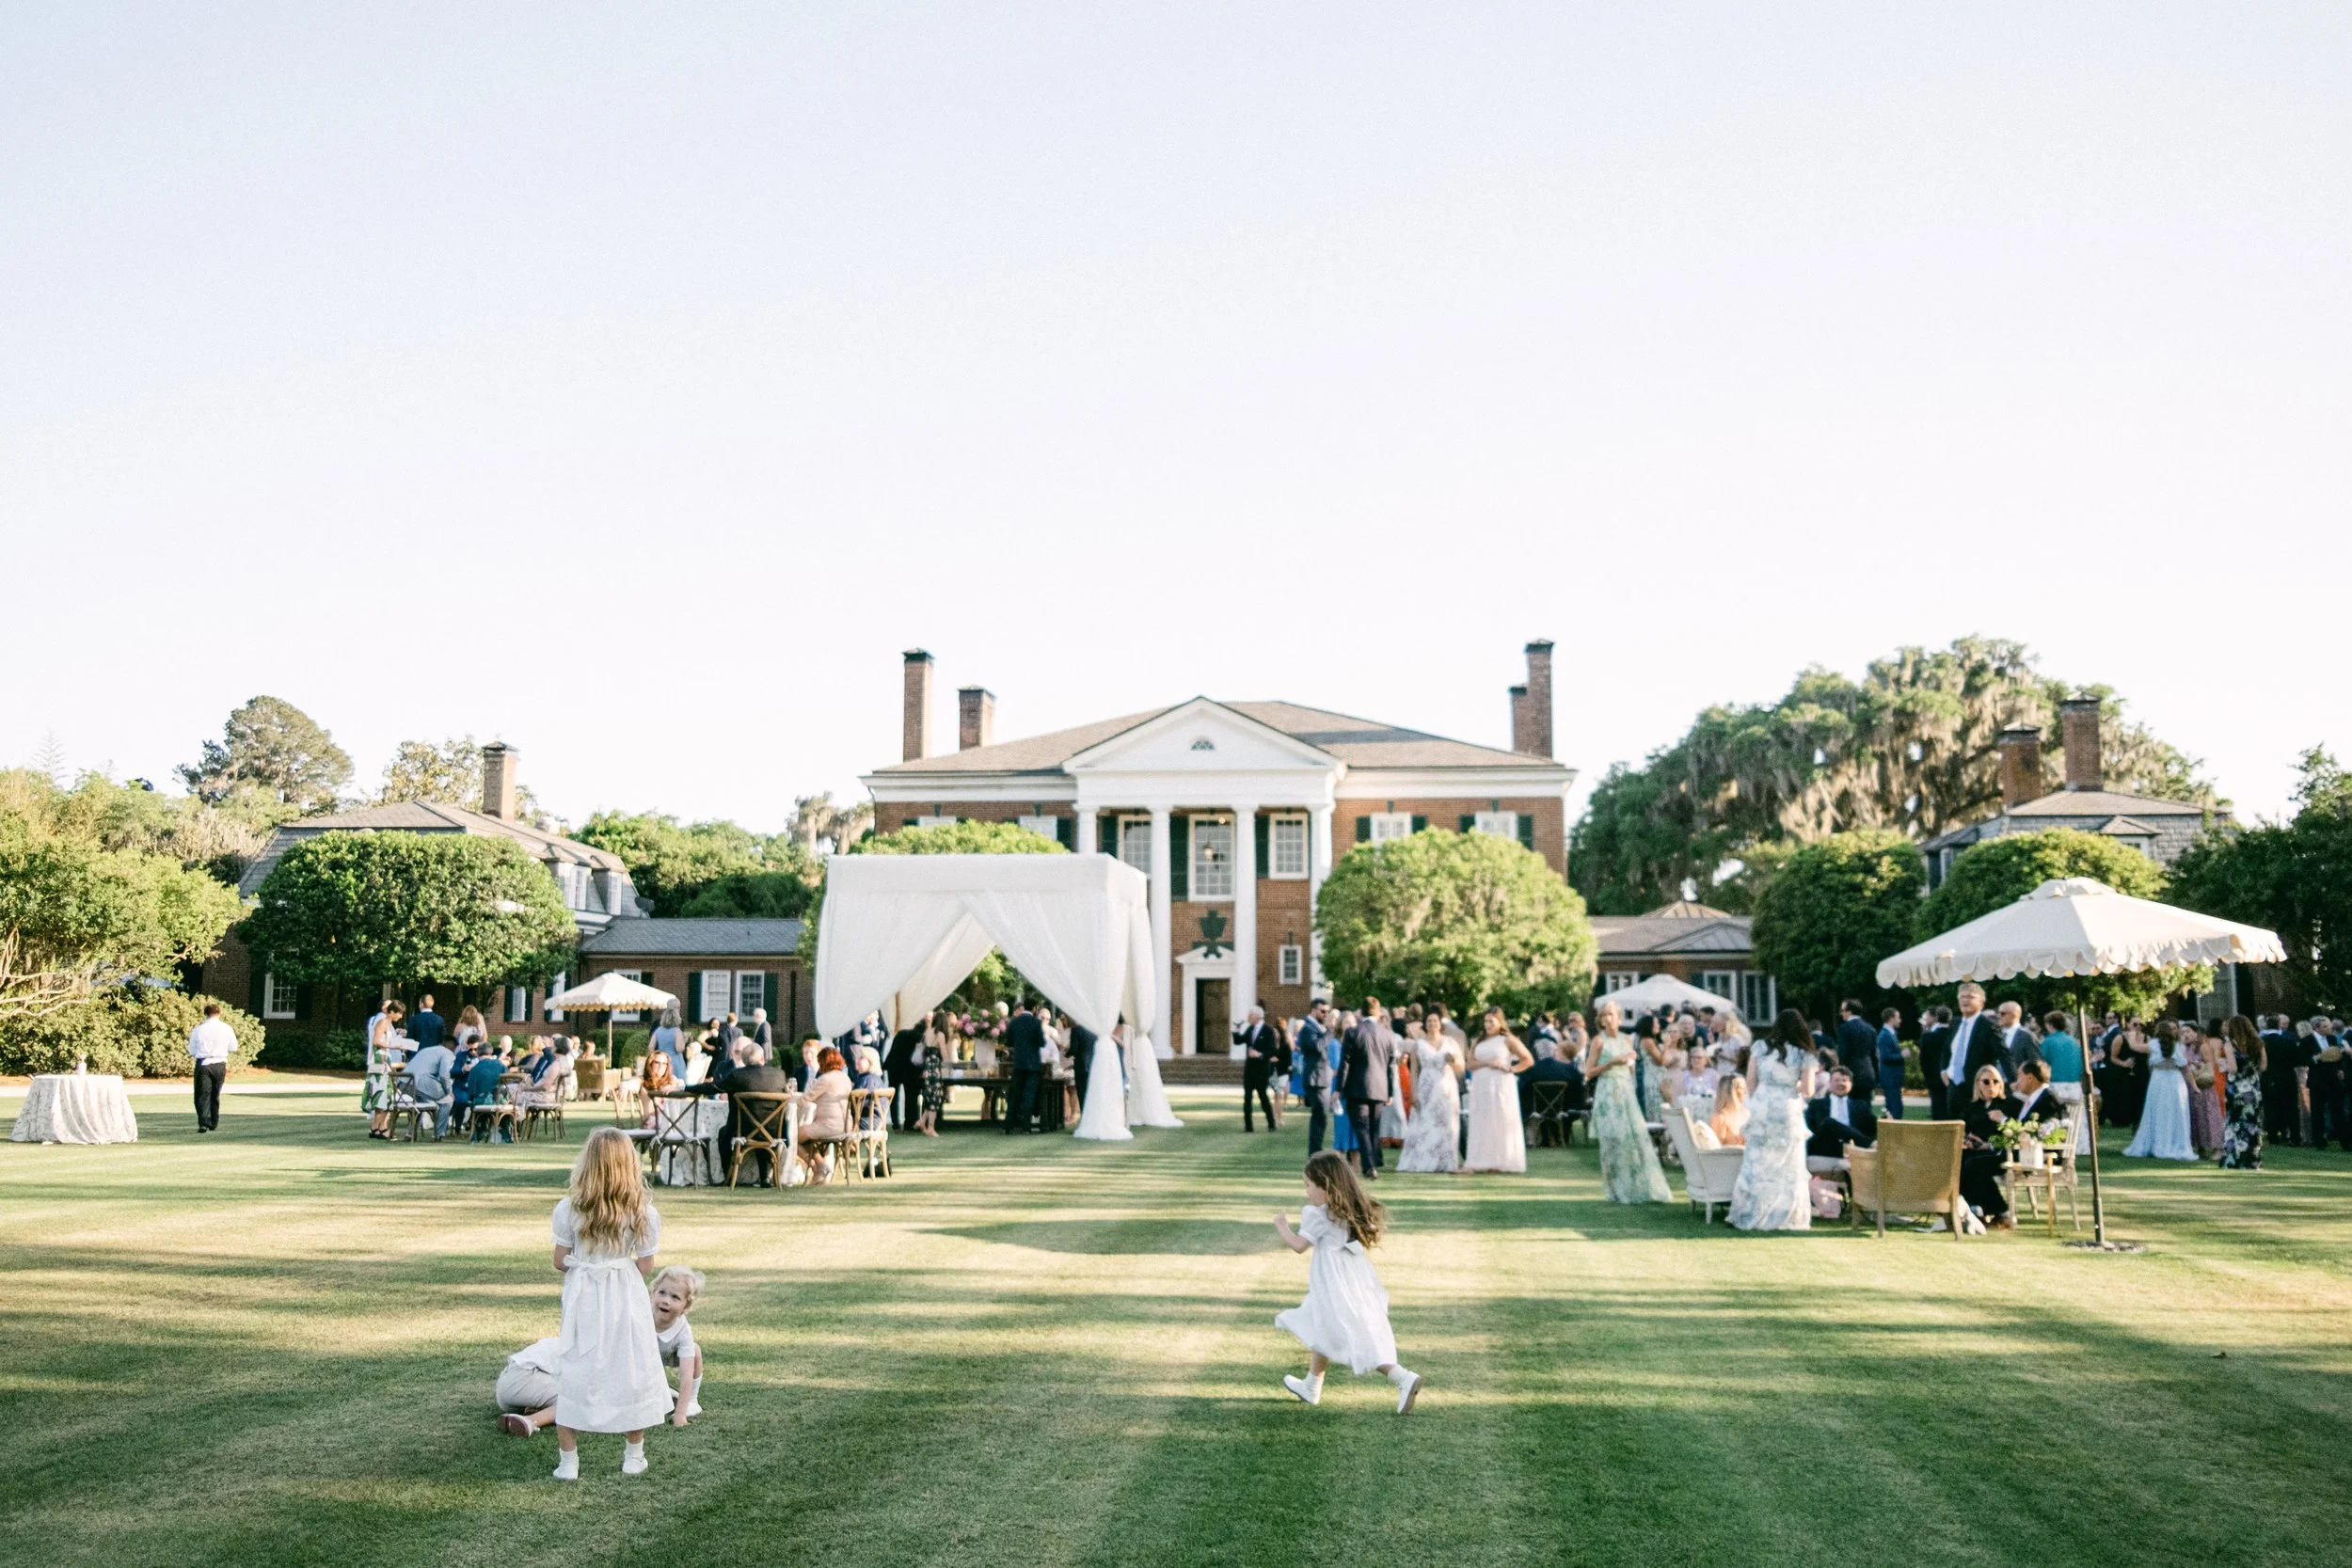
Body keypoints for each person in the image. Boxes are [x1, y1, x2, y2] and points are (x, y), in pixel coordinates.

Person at [548, 1128, 669, 1480]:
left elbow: (559, 1260)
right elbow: (645, 1266)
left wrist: (590, 1263)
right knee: (631, 1366)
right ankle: (633, 1455)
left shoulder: (569, 1209)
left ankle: (569, 1462)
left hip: (584, 1292)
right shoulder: (643, 1213)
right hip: (624, 1292)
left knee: (576, 1367)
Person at [1272, 1151, 1422, 1414]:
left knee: (1351, 1334)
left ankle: (1402, 1377)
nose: (1307, 1192)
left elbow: (1299, 1245)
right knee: (1324, 1326)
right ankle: (1311, 1385)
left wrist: (1282, 1226)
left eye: (1309, 1185)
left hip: (1333, 1283)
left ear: (1325, 1187)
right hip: (1353, 1278)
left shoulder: (1319, 1214)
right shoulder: (1348, 1208)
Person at [1727, 1010, 1817, 1231]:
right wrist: (1791, 1086)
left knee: (1758, 1162)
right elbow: (1808, 1089)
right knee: (1787, 1165)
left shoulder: (1760, 1048)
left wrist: (1761, 1099)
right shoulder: (1804, 1054)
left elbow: (1750, 1083)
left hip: (1762, 1107)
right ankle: (1784, 1215)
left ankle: (1751, 1211)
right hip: (1786, 1108)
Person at [1582, 1000, 1672, 1203]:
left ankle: (1637, 1187)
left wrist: (1630, 1065)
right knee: (1613, 1141)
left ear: (1619, 1018)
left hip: (1625, 1091)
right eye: (1604, 1015)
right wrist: (1613, 1062)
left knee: (1633, 1140)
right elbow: (1588, 1071)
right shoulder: (1599, 1041)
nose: (1607, 1018)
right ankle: (1615, 1190)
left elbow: (1631, 1068)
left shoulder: (1627, 1039)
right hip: (1607, 1091)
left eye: (1611, 1014)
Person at [1463, 1009, 1532, 1174]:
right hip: (1481, 1085)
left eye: (1491, 1022)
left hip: (1501, 1084)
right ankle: (1481, 1160)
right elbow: (1469, 1065)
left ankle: (1500, 1161)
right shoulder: (1478, 1041)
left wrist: (1511, 1068)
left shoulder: (1507, 1040)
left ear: (1500, 1022)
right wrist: (1488, 1062)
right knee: (1482, 1120)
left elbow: (1528, 1059)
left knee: (1499, 1119)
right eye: (1485, 1021)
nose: (1487, 1025)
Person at [1958, 1066, 2022, 1229]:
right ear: (1978, 1084)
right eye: (1986, 1082)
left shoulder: (2010, 1104)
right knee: (1958, 1161)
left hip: (2001, 1151)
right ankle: (1972, 1208)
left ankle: (1999, 1210)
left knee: (1973, 1165)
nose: (1991, 1086)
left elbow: (2015, 1132)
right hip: (1974, 1150)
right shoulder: (1972, 1106)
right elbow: (1962, 1128)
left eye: (1996, 1082)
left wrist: (1988, 1143)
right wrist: (1968, 1140)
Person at [1396, 1018, 1462, 1173]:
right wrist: (1413, 1092)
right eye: (1429, 1021)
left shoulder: (1450, 1042)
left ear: (1440, 1024)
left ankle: (1445, 1162)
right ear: (1425, 1025)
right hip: (1426, 1086)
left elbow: (1460, 1067)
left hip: (1446, 1087)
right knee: (1425, 1123)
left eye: (1435, 1021)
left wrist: (1453, 1061)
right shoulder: (1418, 1044)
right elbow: (1413, 1071)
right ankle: (1424, 1160)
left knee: (1447, 1125)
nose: (1432, 1024)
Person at [2123, 1022, 2197, 1161]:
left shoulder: (2153, 1044)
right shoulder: (2178, 1046)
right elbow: (2185, 1068)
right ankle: (2175, 1143)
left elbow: (2134, 1047)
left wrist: (2131, 1036)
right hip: (2175, 1080)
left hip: (2158, 1080)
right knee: (2176, 1112)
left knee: (2157, 1111)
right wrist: (2194, 1086)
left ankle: (2157, 1143)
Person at [723, 1044, 794, 1186]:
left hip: (744, 1131)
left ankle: (729, 1176)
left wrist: (685, 1088)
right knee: (762, 1125)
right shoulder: (779, 1075)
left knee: (722, 1134)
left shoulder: (737, 1075)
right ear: (762, 1058)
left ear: (744, 1060)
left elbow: (713, 1087)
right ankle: (764, 1178)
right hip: (774, 1131)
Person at [1339, 1000, 1394, 1179]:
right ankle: (1373, 1162)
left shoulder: (1353, 1032)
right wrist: (1390, 1091)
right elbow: (1390, 1066)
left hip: (1357, 1087)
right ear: (1378, 1013)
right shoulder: (1387, 1035)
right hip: (1380, 1087)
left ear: (1361, 1013)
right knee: (1373, 1128)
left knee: (1362, 1128)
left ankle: (1369, 1166)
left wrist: (1339, 1088)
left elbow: (1345, 1063)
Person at [1941, 984, 2009, 1107]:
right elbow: (1947, 1050)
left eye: (1970, 997)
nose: (1965, 1000)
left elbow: (2003, 1054)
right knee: (1953, 1124)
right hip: (1953, 1086)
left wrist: (2014, 1081)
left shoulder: (1988, 1025)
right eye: (1962, 997)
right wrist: (1943, 1070)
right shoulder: (1955, 1023)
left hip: (1977, 1088)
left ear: (1982, 1002)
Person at [796, 1047, 854, 1181]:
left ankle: (818, 1168)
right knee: (805, 1138)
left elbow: (805, 1099)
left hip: (828, 1125)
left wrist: (791, 1099)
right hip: (846, 1124)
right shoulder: (845, 1078)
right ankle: (821, 1166)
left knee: (792, 1137)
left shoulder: (825, 1079)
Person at [2216, 1015, 2264, 1170]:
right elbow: (2263, 1066)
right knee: (2252, 1124)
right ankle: (2252, 1159)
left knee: (2234, 1124)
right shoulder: (2258, 1043)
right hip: (2253, 1088)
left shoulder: (2230, 1045)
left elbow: (2234, 1068)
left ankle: (2233, 1159)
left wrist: (2224, 1064)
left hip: (2236, 1088)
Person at [1804, 1065, 1877, 1161]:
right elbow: (1809, 1130)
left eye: (1844, 1080)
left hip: (1852, 1144)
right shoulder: (1816, 1105)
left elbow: (1872, 1128)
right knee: (1829, 1123)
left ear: (1851, 1084)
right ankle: (1869, 1144)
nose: (1840, 1083)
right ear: (1829, 1084)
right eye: (1837, 1080)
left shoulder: (1861, 1106)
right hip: (1824, 1144)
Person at [185, 1001, 237, 1133]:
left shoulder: (199, 1029)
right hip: (220, 1063)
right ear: (219, 1013)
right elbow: (233, 1047)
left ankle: (204, 1122)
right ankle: (214, 1121)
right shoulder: (227, 1028)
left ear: (206, 1014)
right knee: (215, 1094)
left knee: (202, 1094)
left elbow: (191, 1050)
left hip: (204, 1063)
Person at [1002, 997, 1047, 1134]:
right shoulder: (1036, 1023)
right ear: (1034, 1008)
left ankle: (1008, 1125)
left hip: (1018, 1063)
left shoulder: (1014, 1022)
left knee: (1015, 1094)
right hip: (1033, 1065)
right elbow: (1042, 1043)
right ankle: (1026, 1127)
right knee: (1029, 1095)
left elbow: (1009, 1042)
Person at [363, 1001, 406, 1139]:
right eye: (399, 1013)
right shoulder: (383, 1022)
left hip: (383, 1058)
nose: (400, 1016)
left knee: (383, 1092)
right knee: (384, 1092)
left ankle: (375, 1127)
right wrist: (393, 1046)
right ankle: (381, 1127)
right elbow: (376, 1041)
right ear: (391, 1012)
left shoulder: (389, 1024)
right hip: (379, 1059)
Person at [1296, 1000, 1334, 1154]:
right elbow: (1318, 1046)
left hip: (1321, 1077)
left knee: (1321, 1117)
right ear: (1313, 1011)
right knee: (1319, 1117)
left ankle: (1316, 1151)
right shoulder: (1307, 1029)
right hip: (1316, 1078)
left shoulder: (1316, 1027)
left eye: (1327, 1011)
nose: (1325, 1014)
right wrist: (1329, 1032)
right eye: (1322, 1011)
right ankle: (1315, 1152)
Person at [405, 1031, 457, 1139]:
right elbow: (444, 1075)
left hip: (403, 1083)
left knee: (422, 1102)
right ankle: (439, 1134)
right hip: (420, 1082)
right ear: (452, 1047)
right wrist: (449, 1091)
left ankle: (410, 1133)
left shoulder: (426, 1049)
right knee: (448, 1100)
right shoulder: (447, 1053)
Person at [1239, 1006, 1283, 1132]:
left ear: (1257, 1016)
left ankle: (1271, 1123)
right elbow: (1239, 1040)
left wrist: (1260, 1055)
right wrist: (1236, 1029)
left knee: (1263, 1097)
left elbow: (1273, 1051)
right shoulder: (1250, 1029)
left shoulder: (1268, 1030)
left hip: (1261, 1070)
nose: (1248, 1017)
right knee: (1247, 1098)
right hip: (1249, 1069)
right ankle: (1248, 1126)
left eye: (1250, 1015)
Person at [1835, 999, 1883, 1110]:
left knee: (1851, 1110)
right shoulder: (1871, 1029)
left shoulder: (1844, 1029)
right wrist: (1877, 1078)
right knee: (1866, 1110)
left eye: (1842, 1010)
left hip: (1851, 1075)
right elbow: (1875, 1056)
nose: (1841, 1013)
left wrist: (1839, 1074)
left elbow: (1843, 1054)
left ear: (1849, 1012)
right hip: (1868, 1074)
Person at [466, 1046, 516, 1143]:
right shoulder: (501, 1065)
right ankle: (504, 1133)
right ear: (491, 1053)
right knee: (500, 1099)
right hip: (501, 1103)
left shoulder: (475, 1069)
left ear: (478, 1054)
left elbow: (471, 1092)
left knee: (477, 1101)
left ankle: (480, 1131)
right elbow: (508, 1085)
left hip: (483, 1103)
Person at [1916, 1006, 1956, 1120]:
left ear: (1937, 1017)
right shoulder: (1954, 1035)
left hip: (1934, 1078)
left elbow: (1923, 1061)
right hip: (1953, 1078)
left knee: (1938, 1109)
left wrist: (1928, 1077)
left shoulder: (1928, 1037)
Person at [1874, 1007, 1908, 1121]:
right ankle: (1894, 1135)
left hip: (1893, 1077)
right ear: (1891, 1019)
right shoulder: (1884, 1035)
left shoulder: (1891, 1033)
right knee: (1895, 1108)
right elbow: (1885, 1057)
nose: (1900, 1020)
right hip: (1890, 1077)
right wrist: (1901, 1055)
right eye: (1898, 1018)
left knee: (1894, 1107)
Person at [1708, 1072, 1750, 1146]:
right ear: (1731, 1092)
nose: (1746, 1092)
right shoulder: (1720, 1118)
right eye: (1742, 1088)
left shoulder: (1747, 1114)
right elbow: (1717, 1150)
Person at [648, 1007, 686, 1084]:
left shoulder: (658, 1030)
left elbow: (651, 1047)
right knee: (677, 1084)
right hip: (675, 1061)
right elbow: (679, 1048)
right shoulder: (677, 1031)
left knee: (663, 1083)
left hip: (662, 1060)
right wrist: (684, 1041)